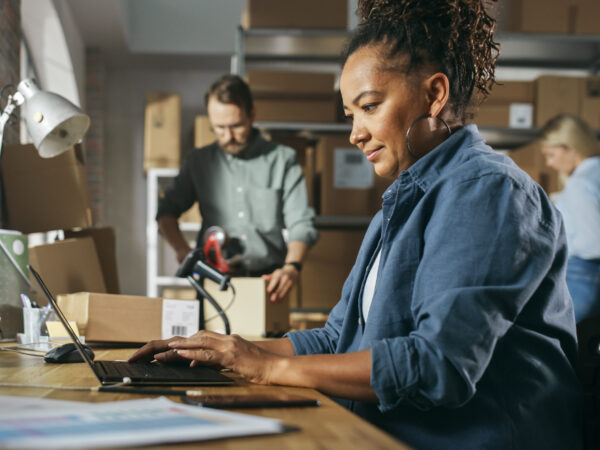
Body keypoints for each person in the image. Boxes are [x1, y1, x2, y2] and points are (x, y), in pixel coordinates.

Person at [132, 1, 582, 448]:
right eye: (351, 116)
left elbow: (437, 365)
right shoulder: (404, 197)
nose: (355, 133)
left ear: (434, 94)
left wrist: (267, 367)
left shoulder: (488, 191)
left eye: (369, 106)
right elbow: (337, 337)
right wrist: (226, 350)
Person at [157, 74, 318, 303]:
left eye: (236, 126)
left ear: (252, 114)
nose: (228, 137)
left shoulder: (283, 160)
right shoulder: (198, 162)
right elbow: (165, 211)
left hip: (268, 285)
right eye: (219, 128)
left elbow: (301, 222)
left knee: (262, 341)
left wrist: (292, 267)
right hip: (212, 283)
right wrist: (182, 250)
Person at [539, 114, 600, 322]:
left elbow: (593, 243)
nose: (549, 163)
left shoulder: (580, 184)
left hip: (582, 275)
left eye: (551, 155)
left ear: (570, 147)